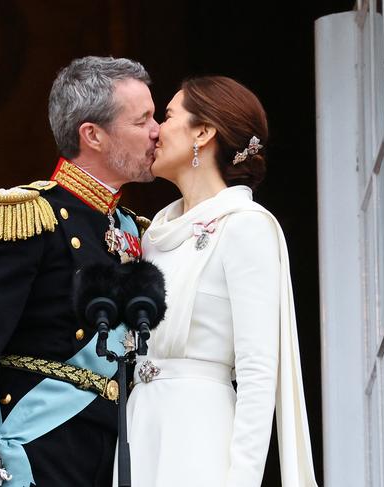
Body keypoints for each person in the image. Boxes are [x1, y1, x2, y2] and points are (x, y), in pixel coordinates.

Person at [0, 56, 159, 487]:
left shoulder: (135, 229)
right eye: (142, 119)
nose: (156, 131)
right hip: (36, 453)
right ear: (92, 134)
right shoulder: (26, 215)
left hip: (112, 459)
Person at [117, 76, 318, 487]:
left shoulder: (245, 228)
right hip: (141, 428)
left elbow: (258, 371)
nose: (155, 129)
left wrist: (242, 480)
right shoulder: (154, 235)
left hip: (200, 434)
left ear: (203, 132)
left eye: (167, 116)